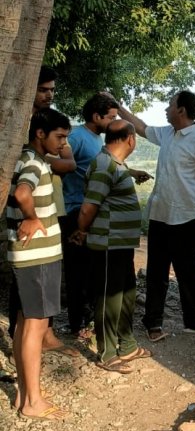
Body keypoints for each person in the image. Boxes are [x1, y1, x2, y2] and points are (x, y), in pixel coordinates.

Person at [111, 91, 195, 341]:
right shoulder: (167, 134)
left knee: (189, 273)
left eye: (170, 105)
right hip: (160, 215)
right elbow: (141, 127)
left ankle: (193, 321)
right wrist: (118, 107)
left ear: (181, 110)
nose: (166, 109)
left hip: (188, 217)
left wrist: (189, 188)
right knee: (156, 273)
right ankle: (153, 324)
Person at [5, 108, 72, 420]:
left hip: (28, 256)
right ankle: (33, 401)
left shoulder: (25, 158)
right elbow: (21, 193)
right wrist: (32, 218)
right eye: (59, 137)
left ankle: (24, 393)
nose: (63, 143)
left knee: (24, 323)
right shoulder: (33, 161)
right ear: (40, 134)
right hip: (37, 257)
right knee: (36, 325)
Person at [72, 120, 152, 373]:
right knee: (109, 297)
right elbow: (89, 206)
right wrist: (82, 231)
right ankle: (106, 353)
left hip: (121, 244)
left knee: (127, 293)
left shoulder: (114, 164)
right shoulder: (104, 164)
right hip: (107, 244)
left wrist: (131, 173)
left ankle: (127, 345)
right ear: (130, 139)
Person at [6, 67, 76, 352]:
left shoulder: (53, 123)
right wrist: (45, 162)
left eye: (52, 90)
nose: (48, 95)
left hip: (49, 202)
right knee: (25, 284)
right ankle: (21, 340)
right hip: (28, 209)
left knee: (44, 283)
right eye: (43, 89)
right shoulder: (16, 120)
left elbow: (69, 162)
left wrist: (46, 159)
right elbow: (27, 170)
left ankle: (43, 336)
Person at [60, 93, 122, 339]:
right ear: (96, 116)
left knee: (91, 270)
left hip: (90, 212)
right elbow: (59, 164)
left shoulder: (97, 139)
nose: (114, 122)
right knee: (77, 270)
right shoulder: (76, 137)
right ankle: (76, 324)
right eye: (111, 117)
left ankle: (87, 319)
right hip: (76, 210)